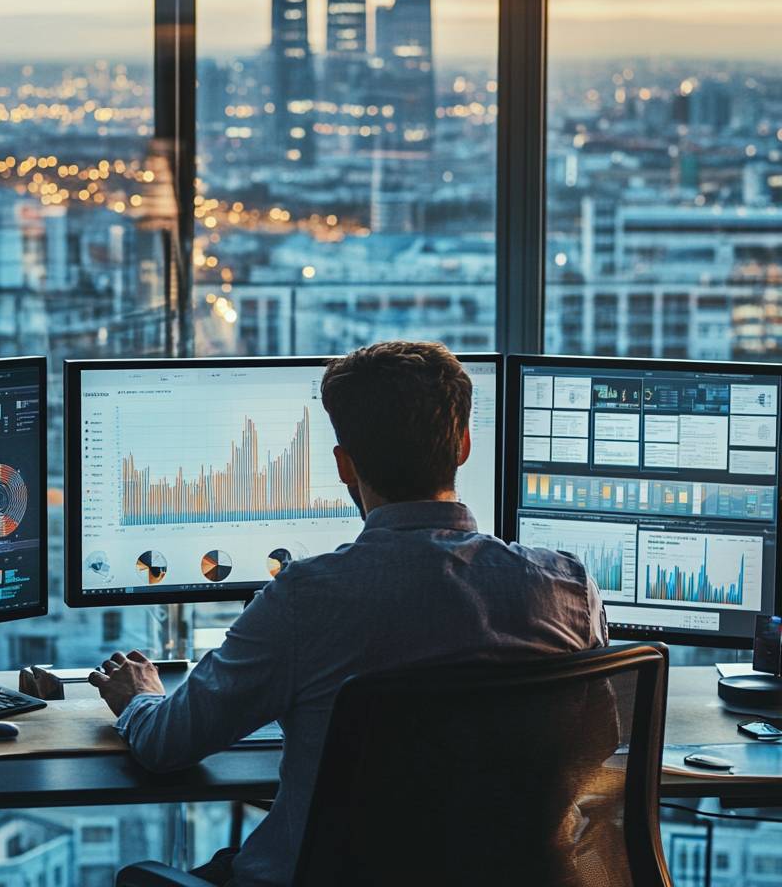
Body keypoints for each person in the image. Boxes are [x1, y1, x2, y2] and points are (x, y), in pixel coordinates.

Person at [91, 341, 608, 887]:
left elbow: (167, 745)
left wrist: (141, 697)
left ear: (343, 466)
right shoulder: (566, 587)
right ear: (464, 444)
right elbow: (600, 742)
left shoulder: (303, 600)